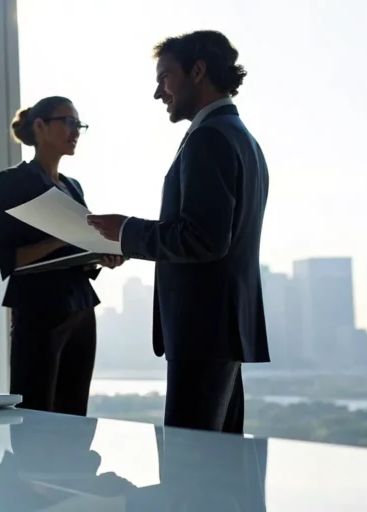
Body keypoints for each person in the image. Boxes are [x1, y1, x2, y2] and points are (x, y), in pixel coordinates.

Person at [86, 30, 270, 434]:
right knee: (219, 471)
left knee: (189, 477)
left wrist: (126, 232)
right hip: (222, 330)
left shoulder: (209, 139)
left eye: (165, 77)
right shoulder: (242, 139)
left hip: (202, 331)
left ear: (198, 71)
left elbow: (202, 238)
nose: (158, 92)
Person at [0, 96, 123, 415]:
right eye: (68, 122)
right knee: (35, 411)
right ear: (41, 127)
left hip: (81, 308)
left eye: (79, 125)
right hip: (38, 309)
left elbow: (75, 249)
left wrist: (100, 256)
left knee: (74, 413)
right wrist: (59, 239)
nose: (75, 131)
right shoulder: (12, 182)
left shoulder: (73, 187)